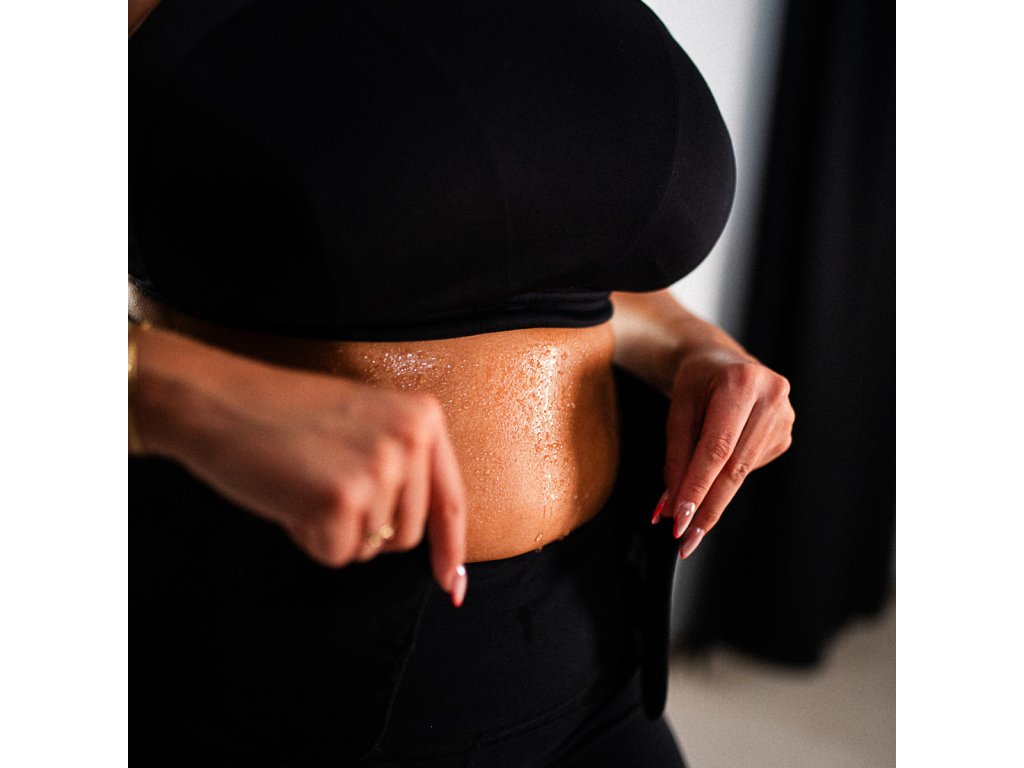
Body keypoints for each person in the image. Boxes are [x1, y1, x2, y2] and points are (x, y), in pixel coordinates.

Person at [129, 0, 795, 765]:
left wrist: (692, 347)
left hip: (589, 640)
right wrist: (169, 388)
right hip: (260, 654)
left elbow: (562, 260)